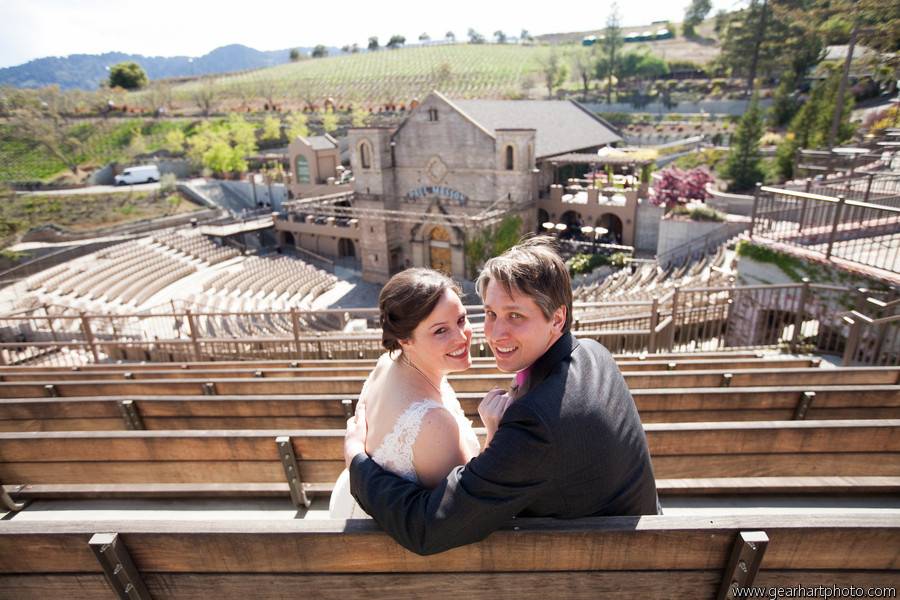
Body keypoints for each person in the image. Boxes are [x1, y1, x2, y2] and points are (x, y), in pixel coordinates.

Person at [344, 236, 660, 554]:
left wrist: (357, 462)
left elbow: (428, 528)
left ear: (557, 318)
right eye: (490, 313)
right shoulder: (593, 352)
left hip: (606, 564)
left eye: (515, 316)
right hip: (635, 536)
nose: (494, 333)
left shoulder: (534, 424)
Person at [329, 268, 483, 518]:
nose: (461, 337)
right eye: (440, 331)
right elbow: (467, 511)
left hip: (355, 500)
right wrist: (497, 431)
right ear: (405, 339)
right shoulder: (433, 423)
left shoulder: (386, 363)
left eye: (461, 320)